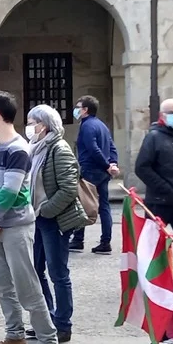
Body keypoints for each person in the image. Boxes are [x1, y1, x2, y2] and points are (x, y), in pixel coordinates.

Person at [0, 92, 60, 344]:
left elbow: (11, 191)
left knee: (26, 286)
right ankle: (14, 335)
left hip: (16, 227)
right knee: (2, 283)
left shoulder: (19, 149)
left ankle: (48, 342)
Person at [26, 104, 88, 344]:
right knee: (36, 270)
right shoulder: (35, 148)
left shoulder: (58, 149)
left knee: (58, 273)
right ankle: (46, 319)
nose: (29, 127)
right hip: (38, 218)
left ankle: (62, 324)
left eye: (32, 123)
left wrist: (46, 210)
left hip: (54, 219)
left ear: (43, 125)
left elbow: (69, 189)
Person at [134, 97, 173, 232]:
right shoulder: (153, 137)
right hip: (159, 203)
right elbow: (142, 168)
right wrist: (165, 188)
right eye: (172, 113)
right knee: (152, 241)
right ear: (162, 115)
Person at [71, 94, 120, 254]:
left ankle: (78, 240)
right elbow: (111, 146)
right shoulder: (101, 125)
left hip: (90, 169)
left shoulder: (86, 126)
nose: (76, 110)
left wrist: (107, 165)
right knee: (104, 206)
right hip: (102, 172)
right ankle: (105, 241)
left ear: (85, 110)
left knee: (82, 204)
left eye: (78, 107)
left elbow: (92, 148)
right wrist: (112, 164)